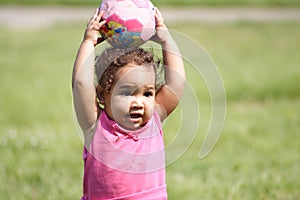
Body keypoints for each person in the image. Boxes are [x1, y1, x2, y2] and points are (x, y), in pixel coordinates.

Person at [72, 7, 185, 200]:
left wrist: (166, 40)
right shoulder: (96, 126)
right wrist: (88, 42)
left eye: (147, 94)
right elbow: (81, 84)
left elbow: (177, 82)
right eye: (126, 93)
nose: (138, 102)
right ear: (103, 94)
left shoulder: (153, 120)